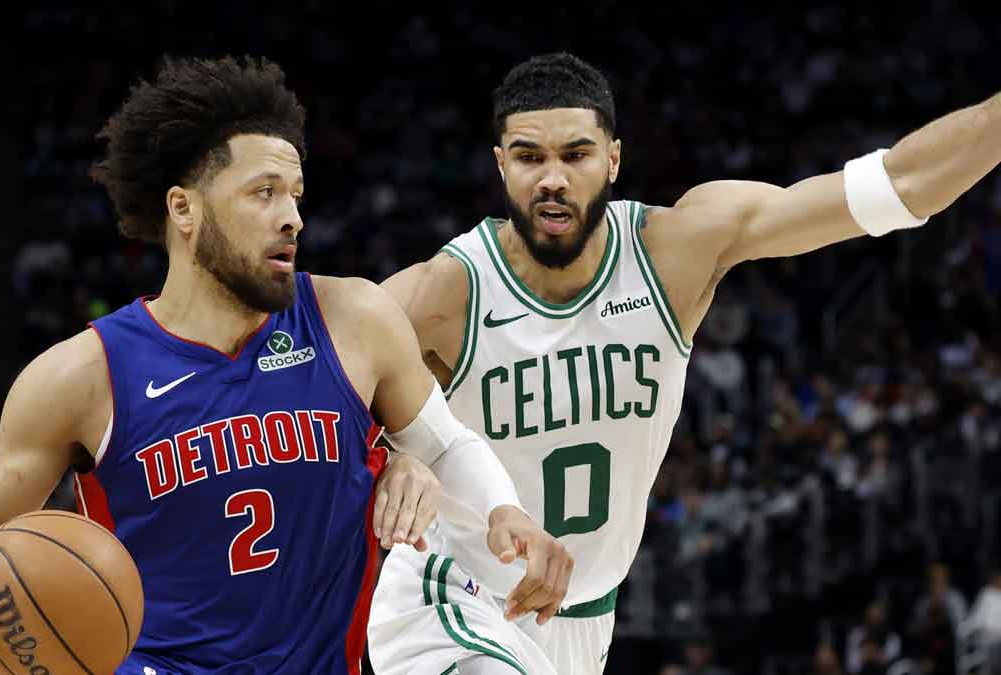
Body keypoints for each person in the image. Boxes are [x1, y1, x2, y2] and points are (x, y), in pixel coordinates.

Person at [0, 55, 571, 675]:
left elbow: (447, 445)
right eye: (263, 193)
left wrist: (502, 511)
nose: (291, 217)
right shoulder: (78, 377)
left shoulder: (354, 318)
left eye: (295, 194)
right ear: (183, 208)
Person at [369, 51, 1001, 674]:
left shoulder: (675, 252)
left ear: (614, 159)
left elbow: (901, 185)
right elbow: (308, 372)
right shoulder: (449, 290)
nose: (552, 178)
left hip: (585, 620)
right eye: (530, 157)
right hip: (451, 601)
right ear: (501, 165)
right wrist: (394, 453)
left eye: (576, 154)